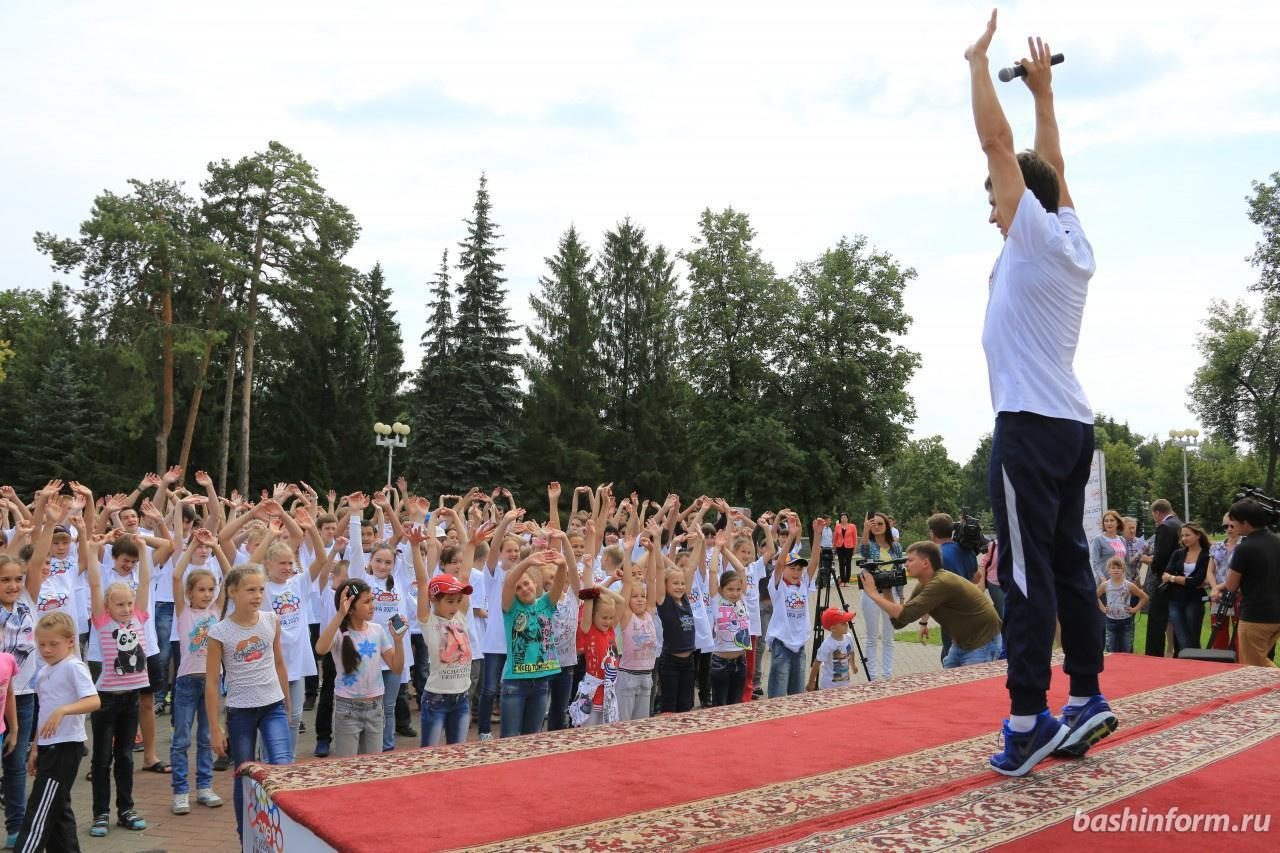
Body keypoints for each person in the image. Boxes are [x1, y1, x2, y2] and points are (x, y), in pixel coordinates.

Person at [966, 13, 1111, 776]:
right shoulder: (1071, 240)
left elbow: (1004, 150)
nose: (990, 204)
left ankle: (1027, 721)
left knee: (1024, 575)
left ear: (1022, 198)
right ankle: (1086, 694)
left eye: (996, 194)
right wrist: (1045, 97)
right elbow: (1053, 167)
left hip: (1027, 426)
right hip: (1071, 426)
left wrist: (977, 66)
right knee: (1067, 564)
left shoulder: (1029, 231)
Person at [206, 564, 292, 841]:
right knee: (244, 773)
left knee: (281, 767)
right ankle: (247, 837)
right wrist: (215, 729)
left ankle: (286, 835)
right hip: (240, 711)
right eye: (250, 589)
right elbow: (211, 683)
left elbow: (279, 663)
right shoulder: (220, 632)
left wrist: (286, 704)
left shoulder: (271, 620)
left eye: (261, 589)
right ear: (233, 592)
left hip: (273, 706)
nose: (257, 595)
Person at [84, 524, 152, 838]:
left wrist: (142, 547)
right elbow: (96, 584)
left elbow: (146, 581)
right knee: (101, 759)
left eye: (128, 603)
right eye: (119, 604)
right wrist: (91, 547)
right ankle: (100, 813)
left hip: (131, 698)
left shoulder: (138, 616)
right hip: (106, 699)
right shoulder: (101, 621)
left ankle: (126, 808)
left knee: (125, 756)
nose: (125, 608)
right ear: (107, 607)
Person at [14, 611, 99, 853]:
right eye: (42, 644)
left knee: (38, 811)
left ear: (71, 641)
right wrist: (36, 748)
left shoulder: (74, 667)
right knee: (58, 811)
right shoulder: (43, 673)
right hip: (49, 748)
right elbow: (44, 714)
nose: (47, 650)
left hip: (66, 747)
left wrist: (64, 710)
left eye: (54, 644)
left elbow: (93, 701)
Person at [861, 541, 1002, 668]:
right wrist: (887, 591)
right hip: (962, 643)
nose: (906, 565)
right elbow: (900, 621)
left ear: (925, 563)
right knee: (951, 689)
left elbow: (904, 614)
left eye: (910, 560)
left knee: (974, 691)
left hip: (982, 642)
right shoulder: (924, 585)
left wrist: (873, 593)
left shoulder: (941, 582)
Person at [314, 579, 405, 757]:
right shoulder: (338, 633)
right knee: (347, 770)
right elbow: (320, 649)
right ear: (350, 607)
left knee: (372, 769)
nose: (373, 605)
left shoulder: (377, 630)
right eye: (366, 601)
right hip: (347, 709)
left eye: (372, 599)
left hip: (375, 708)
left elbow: (396, 667)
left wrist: (398, 641)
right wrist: (340, 614)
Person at [169, 536, 223, 816]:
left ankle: (204, 787)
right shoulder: (183, 612)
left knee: (205, 736)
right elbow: (177, 575)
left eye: (210, 589)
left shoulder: (217, 611)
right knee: (181, 739)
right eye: (201, 589)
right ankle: (180, 792)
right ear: (190, 593)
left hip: (213, 682)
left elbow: (229, 578)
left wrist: (214, 548)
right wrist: (193, 547)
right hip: (187, 682)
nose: (207, 594)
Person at [499, 550, 567, 736]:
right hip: (515, 685)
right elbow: (509, 582)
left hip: (541, 683)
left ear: (535, 583)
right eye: (518, 588)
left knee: (532, 740)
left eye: (526, 583)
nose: (524, 589)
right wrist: (527, 562)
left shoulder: (545, 603)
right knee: (510, 741)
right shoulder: (511, 608)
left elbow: (559, 584)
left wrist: (562, 565)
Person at [1215, 499, 1280, 667]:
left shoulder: (1245, 548)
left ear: (1245, 523)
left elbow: (1231, 585)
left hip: (1255, 615)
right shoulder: (1276, 541)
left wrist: (1221, 587)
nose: (1232, 524)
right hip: (1276, 612)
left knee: (1253, 664)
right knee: (1261, 660)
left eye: (1234, 521)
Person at [766, 516, 823, 698]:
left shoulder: (804, 584)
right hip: (782, 644)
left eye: (799, 569)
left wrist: (817, 533)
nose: (797, 572)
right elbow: (781, 562)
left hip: (799, 647)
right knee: (778, 694)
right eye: (793, 569)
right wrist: (791, 535)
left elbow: (814, 561)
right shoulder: (778, 586)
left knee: (797, 696)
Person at [928, 513, 979, 663]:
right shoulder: (966, 549)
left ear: (932, 532)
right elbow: (977, 578)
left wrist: (923, 621)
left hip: (950, 613)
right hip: (970, 608)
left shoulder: (936, 555)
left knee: (951, 656)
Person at [858, 512, 902, 680]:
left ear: (887, 526)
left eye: (880, 524)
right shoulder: (869, 544)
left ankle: (887, 674)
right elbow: (864, 552)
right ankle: (873, 677)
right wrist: (864, 529)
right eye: (873, 524)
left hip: (891, 594)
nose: (876, 527)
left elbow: (900, 571)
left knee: (889, 637)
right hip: (872, 594)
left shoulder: (895, 547)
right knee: (871, 637)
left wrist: (902, 597)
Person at [1161, 523, 1213, 651]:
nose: (1184, 538)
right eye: (1182, 535)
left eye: (1187, 535)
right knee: (1181, 638)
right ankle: (1188, 667)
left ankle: (1197, 666)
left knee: (1193, 638)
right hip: (1175, 600)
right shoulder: (1178, 553)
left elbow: (1196, 581)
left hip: (1194, 601)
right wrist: (1183, 580)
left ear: (1198, 535)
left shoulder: (1207, 555)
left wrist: (1173, 578)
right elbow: (1165, 575)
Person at [1142, 499, 1183, 656]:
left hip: (1165, 580)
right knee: (1178, 620)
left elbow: (1161, 556)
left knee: (1156, 620)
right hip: (1179, 580)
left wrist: (1151, 563)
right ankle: (1181, 653)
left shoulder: (1164, 527)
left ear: (1157, 513)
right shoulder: (1180, 523)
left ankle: (1154, 656)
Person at [1097, 557, 1148, 653]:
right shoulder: (1105, 585)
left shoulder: (1129, 585)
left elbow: (1144, 597)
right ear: (1108, 570)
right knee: (1111, 649)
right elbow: (1095, 596)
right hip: (1110, 621)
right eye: (1113, 568)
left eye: (1119, 568)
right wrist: (1103, 608)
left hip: (1126, 622)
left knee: (1127, 649)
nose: (1116, 570)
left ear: (1123, 570)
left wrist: (1135, 609)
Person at [1207, 514, 1242, 650]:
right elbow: (1210, 571)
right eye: (1225, 526)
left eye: (1232, 525)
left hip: (1238, 593)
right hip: (1218, 595)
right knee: (1218, 635)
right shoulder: (1216, 546)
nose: (1229, 529)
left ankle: (1240, 664)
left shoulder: (1245, 545)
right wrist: (1215, 588)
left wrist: (1220, 587)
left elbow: (1242, 574)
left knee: (1239, 636)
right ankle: (1220, 665)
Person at [808, 608, 857, 690]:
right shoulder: (827, 645)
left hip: (846, 683)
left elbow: (851, 652)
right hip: (829, 686)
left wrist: (853, 666)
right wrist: (811, 682)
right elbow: (816, 664)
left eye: (846, 622)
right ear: (833, 628)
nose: (847, 624)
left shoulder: (849, 637)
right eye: (843, 623)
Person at [833, 515, 859, 585]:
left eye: (845, 517)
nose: (843, 518)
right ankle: (842, 581)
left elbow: (855, 538)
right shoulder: (837, 526)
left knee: (848, 564)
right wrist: (834, 547)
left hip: (849, 547)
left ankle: (847, 581)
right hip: (840, 547)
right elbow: (835, 537)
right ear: (840, 519)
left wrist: (855, 548)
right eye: (842, 517)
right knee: (841, 564)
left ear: (847, 519)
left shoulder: (852, 526)